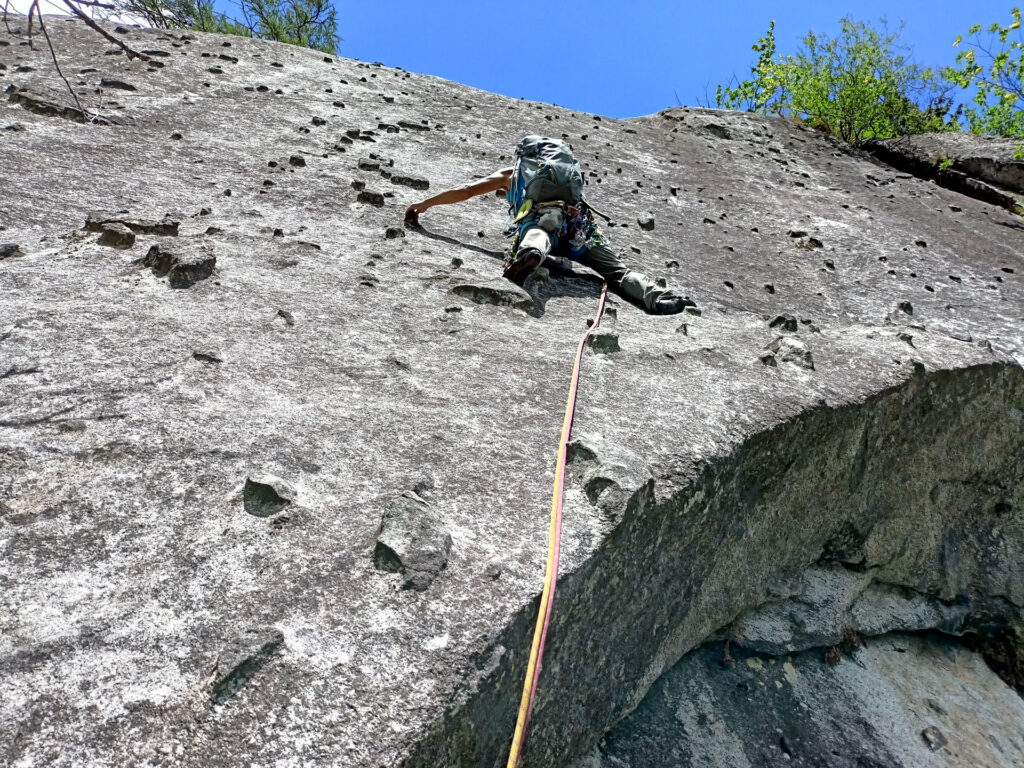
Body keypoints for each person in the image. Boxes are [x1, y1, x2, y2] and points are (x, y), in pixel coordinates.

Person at [403, 137, 696, 315]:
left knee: (539, 232)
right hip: (580, 231)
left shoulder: (513, 174)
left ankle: (531, 252)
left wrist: (426, 204)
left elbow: (467, 189)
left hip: (544, 223)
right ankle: (661, 298)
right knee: (618, 273)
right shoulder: (564, 175)